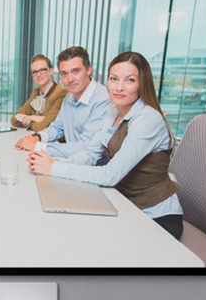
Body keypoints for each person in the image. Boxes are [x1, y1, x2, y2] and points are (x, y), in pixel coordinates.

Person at [28, 50, 185, 238]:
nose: (119, 87)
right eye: (113, 78)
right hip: (123, 203)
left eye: (130, 80)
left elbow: (110, 175)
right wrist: (51, 163)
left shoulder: (148, 119)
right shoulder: (113, 110)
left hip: (156, 216)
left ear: (142, 83)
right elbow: (90, 154)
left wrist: (54, 168)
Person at [13, 46, 113, 164]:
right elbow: (57, 127)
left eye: (75, 71)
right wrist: (37, 137)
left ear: (89, 70)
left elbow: (85, 147)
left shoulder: (102, 99)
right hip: (70, 161)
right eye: (64, 74)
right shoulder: (69, 96)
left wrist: (37, 146)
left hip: (92, 169)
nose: (70, 79)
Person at [10, 54, 63, 132]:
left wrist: (30, 118)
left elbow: (48, 126)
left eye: (42, 70)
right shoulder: (36, 92)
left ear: (51, 71)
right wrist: (36, 119)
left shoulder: (61, 93)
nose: (38, 74)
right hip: (33, 138)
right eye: (34, 72)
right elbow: (14, 118)